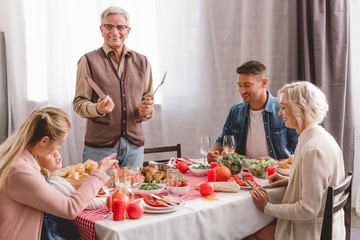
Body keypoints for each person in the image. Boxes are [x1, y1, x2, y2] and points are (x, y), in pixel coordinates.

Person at [0, 105, 118, 240]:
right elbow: (70, 209)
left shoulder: (17, 159)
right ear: (44, 140)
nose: (58, 149)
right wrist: (99, 172)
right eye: (59, 143)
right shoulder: (21, 172)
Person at [247, 81, 346, 240]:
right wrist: (290, 180)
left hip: (310, 233)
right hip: (322, 227)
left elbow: (308, 210)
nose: (280, 113)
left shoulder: (313, 150)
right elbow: (321, 186)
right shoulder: (319, 137)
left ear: (300, 109)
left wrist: (267, 207)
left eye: (284, 107)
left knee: (246, 235)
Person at [73, 6, 154, 168]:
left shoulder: (143, 61)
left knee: (132, 192)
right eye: (109, 27)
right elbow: (79, 103)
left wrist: (146, 110)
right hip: (100, 148)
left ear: (128, 30)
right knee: (98, 192)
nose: (114, 32)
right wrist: (98, 108)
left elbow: (148, 102)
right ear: (101, 30)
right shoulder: (88, 61)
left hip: (134, 147)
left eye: (120, 27)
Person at [207, 60, 299, 162]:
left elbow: (299, 151)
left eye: (247, 85)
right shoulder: (235, 111)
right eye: (240, 85)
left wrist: (275, 163)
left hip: (277, 174)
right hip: (243, 174)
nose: (242, 91)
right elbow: (222, 141)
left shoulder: (283, 110)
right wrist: (213, 153)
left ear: (264, 83)